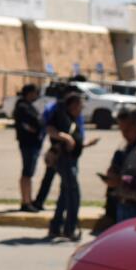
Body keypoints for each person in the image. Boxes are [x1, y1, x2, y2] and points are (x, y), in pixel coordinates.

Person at [46, 92, 92, 241]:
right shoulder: (61, 115)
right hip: (65, 161)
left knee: (65, 194)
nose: (82, 107)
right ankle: (70, 229)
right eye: (80, 104)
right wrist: (66, 138)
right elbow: (50, 130)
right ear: (73, 104)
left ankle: (56, 227)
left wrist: (84, 144)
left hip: (71, 160)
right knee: (74, 195)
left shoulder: (73, 118)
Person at [13, 83, 44, 211]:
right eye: (35, 92)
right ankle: (26, 201)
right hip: (28, 144)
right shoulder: (22, 107)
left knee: (29, 173)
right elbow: (26, 124)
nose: (36, 95)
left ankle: (28, 200)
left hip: (33, 144)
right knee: (27, 173)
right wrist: (34, 129)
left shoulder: (28, 106)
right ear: (29, 93)